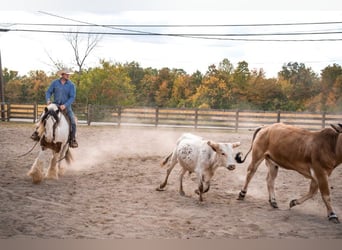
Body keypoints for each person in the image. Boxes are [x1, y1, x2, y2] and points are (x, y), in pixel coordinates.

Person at [31, 68, 78, 148]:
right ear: (62, 74)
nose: (68, 75)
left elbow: (72, 97)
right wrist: (48, 99)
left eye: (68, 74)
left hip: (66, 107)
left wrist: (65, 105)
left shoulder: (71, 85)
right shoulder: (55, 83)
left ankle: (72, 139)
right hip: (55, 105)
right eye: (66, 74)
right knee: (43, 114)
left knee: (73, 122)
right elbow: (48, 92)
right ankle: (37, 132)